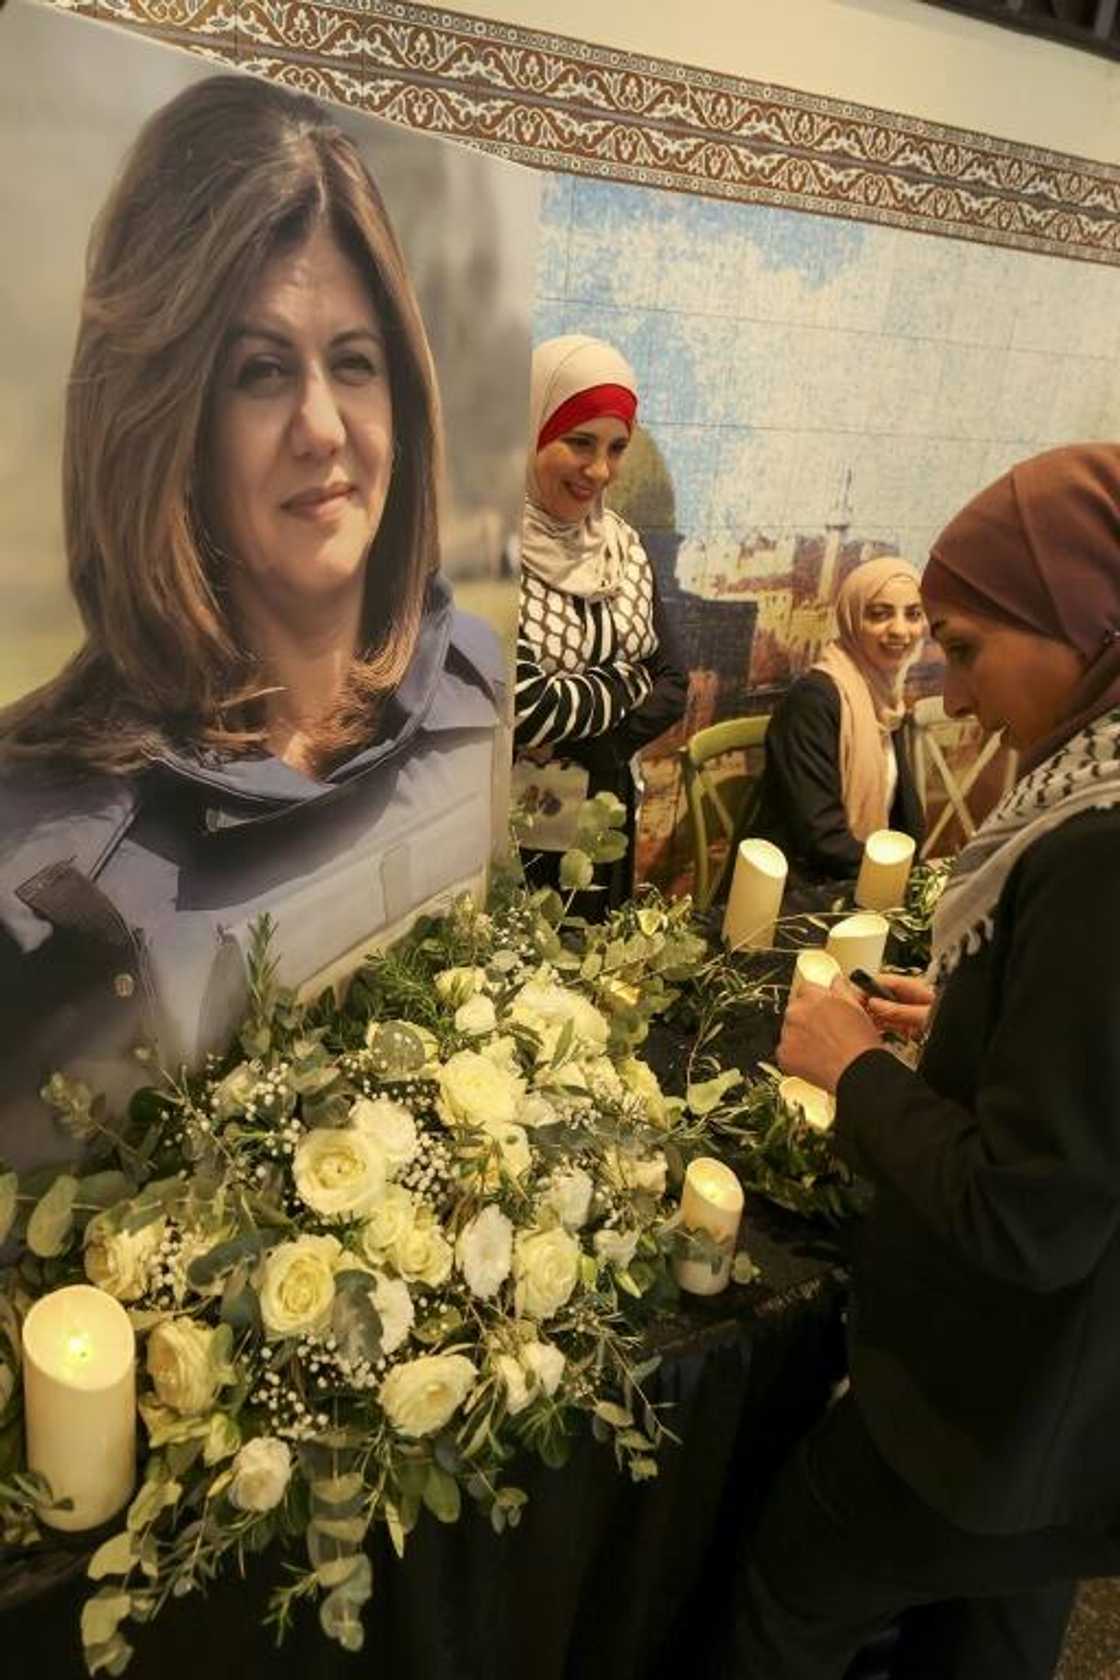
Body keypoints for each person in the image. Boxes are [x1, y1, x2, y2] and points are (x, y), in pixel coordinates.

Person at [0, 74, 503, 1171]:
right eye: (260, 372)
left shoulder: (475, 681)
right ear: (162, 419)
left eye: (354, 364)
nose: (322, 428)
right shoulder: (43, 856)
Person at [727, 442, 1120, 1679]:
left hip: (989, 1418)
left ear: (1081, 619)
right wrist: (965, 1025)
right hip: (1078, 1433)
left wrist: (854, 1070)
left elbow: (1027, 1212)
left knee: (786, 1604)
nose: (947, 694)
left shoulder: (1100, 848)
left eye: (964, 646)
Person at [513, 335, 687, 913]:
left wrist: (597, 747)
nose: (599, 470)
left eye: (616, 449)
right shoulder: (488, 555)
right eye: (579, 442)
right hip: (519, 825)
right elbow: (527, 708)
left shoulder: (623, 547)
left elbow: (672, 681)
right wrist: (626, 682)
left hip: (608, 806)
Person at [724, 556, 925, 891]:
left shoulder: (885, 701)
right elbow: (820, 838)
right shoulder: (813, 702)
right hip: (796, 896)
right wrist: (893, 882)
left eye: (913, 614)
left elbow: (904, 818)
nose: (901, 630)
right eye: (880, 614)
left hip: (854, 881)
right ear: (851, 618)